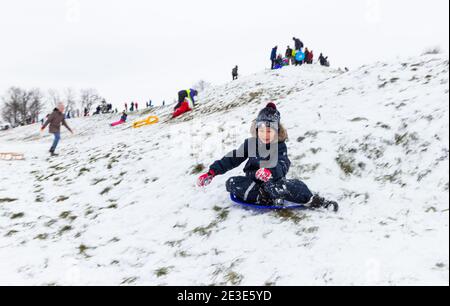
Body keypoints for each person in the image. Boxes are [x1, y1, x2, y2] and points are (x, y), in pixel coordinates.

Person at [197, 103, 338, 210]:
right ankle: (263, 197)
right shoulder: (251, 144)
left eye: (269, 131)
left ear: (277, 131)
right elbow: (232, 158)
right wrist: (212, 172)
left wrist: (270, 172)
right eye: (262, 130)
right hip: (253, 183)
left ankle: (313, 200)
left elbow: (283, 164)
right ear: (257, 130)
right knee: (231, 183)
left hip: (274, 181)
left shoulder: (279, 146)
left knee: (294, 185)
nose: (265, 134)